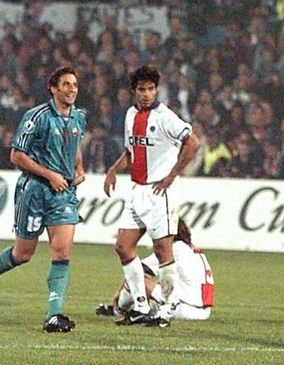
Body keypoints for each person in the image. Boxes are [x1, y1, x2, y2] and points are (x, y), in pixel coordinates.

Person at [103, 65, 200, 328]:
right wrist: (113, 170)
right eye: (142, 89)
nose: (146, 94)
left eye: (150, 89)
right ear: (134, 91)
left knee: (162, 251)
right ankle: (141, 306)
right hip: (137, 190)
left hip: (161, 192)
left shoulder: (166, 116)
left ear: (156, 90)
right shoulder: (130, 115)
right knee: (123, 246)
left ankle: (166, 310)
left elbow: (193, 143)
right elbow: (130, 150)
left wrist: (172, 175)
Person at [0, 66, 87, 333]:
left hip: (63, 193)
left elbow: (75, 146)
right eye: (66, 84)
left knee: (62, 252)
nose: (72, 89)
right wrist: (49, 175)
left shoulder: (79, 118)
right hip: (34, 190)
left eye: (74, 85)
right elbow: (17, 156)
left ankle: (54, 315)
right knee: (23, 253)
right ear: (53, 88)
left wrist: (79, 169)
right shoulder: (36, 116)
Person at [96, 219, 214, 321]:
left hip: (186, 308)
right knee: (153, 289)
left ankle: (118, 309)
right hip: (203, 311)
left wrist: (117, 295)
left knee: (136, 280)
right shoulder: (192, 249)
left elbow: (138, 271)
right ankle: (135, 309)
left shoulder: (175, 248)